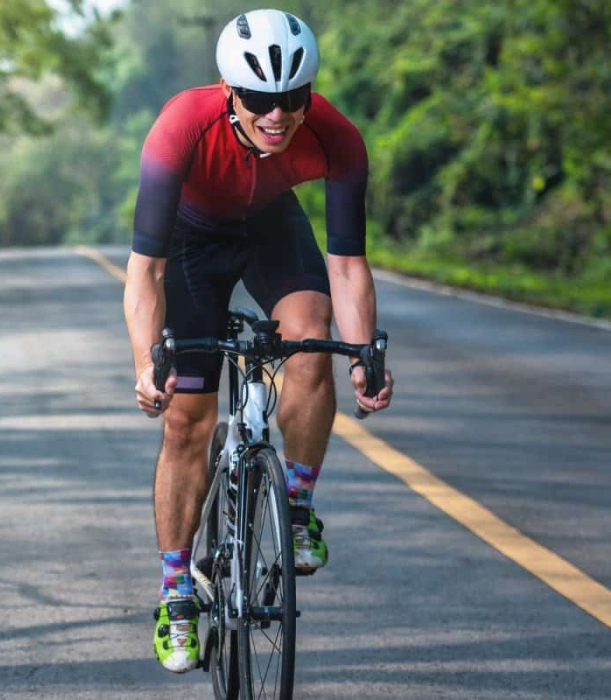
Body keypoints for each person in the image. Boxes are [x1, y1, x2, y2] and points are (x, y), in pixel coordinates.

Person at [123, 9, 395, 673]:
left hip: (272, 229)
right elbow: (145, 271)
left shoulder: (336, 136)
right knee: (186, 420)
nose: (278, 115)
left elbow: (347, 266)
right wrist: (146, 363)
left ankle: (296, 506)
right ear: (228, 91)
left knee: (312, 341)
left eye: (293, 98)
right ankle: (176, 593)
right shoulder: (180, 127)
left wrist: (365, 355)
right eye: (259, 99)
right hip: (190, 243)